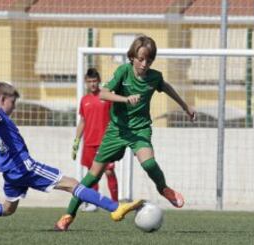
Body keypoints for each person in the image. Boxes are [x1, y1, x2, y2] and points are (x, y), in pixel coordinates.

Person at [0, 72, 143, 231]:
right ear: (3, 99)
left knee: (7, 209)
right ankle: (116, 208)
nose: (13, 107)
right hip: (25, 167)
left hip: (10, 172)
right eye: (12, 102)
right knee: (72, 184)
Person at [55, 35, 196, 231]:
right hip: (116, 130)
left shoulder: (155, 77)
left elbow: (166, 87)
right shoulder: (123, 71)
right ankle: (68, 215)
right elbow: (103, 93)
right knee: (93, 176)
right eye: (141, 59)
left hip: (140, 129)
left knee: (149, 163)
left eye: (149, 60)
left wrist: (185, 106)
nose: (144, 64)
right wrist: (125, 99)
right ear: (132, 57)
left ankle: (163, 188)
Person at [72, 68, 118, 212]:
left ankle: (116, 203)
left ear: (99, 81)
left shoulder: (106, 97)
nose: (92, 84)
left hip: (105, 143)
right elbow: (83, 121)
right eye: (90, 81)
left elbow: (115, 117)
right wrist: (76, 141)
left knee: (109, 172)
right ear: (86, 82)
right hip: (89, 143)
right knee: (92, 174)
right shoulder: (84, 100)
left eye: (94, 81)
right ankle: (94, 203)